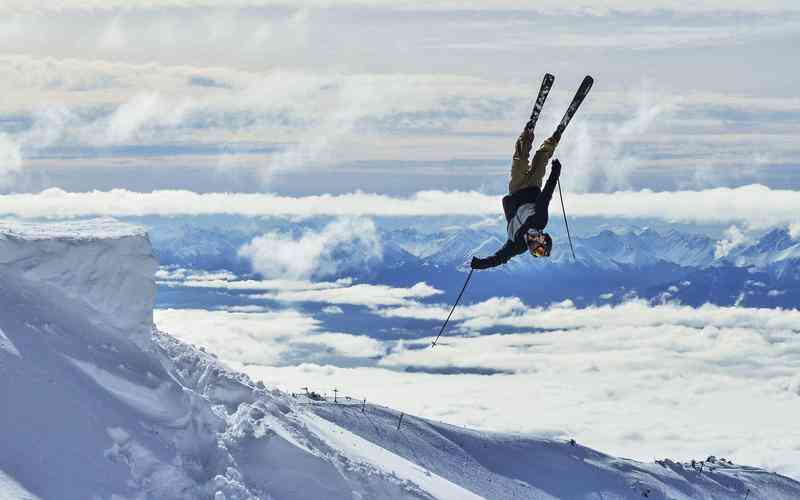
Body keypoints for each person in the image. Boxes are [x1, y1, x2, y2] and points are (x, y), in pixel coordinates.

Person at [470, 123, 564, 270]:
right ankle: (555, 137)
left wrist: (481, 264)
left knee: (520, 159)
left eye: (537, 254)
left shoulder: (518, 245)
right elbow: (546, 195)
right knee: (541, 158)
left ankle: (527, 133)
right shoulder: (540, 221)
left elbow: (501, 257)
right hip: (533, 186)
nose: (534, 252)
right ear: (543, 240)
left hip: (516, 189)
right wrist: (555, 173)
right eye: (539, 251)